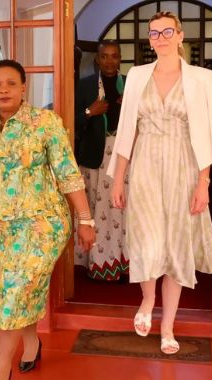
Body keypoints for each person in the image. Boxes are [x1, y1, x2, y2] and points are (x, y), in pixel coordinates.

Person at [0, 59, 96, 380]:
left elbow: (67, 173)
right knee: (17, 288)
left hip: (42, 224)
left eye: (11, 83)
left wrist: (85, 219)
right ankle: (31, 343)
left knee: (16, 289)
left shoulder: (45, 123)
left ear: (23, 88)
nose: (4, 89)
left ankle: (0, 369)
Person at [108, 11, 212, 355]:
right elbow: (126, 130)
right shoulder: (136, 76)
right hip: (145, 163)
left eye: (167, 31)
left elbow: (209, 130)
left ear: (180, 36)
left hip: (183, 165)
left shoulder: (201, 78)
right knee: (146, 237)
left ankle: (168, 326)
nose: (160, 37)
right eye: (154, 33)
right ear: (150, 40)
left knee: (177, 242)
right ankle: (147, 300)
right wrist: (118, 179)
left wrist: (203, 182)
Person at [74, 40, 128, 281]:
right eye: (104, 56)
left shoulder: (129, 84)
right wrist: (89, 112)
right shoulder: (84, 85)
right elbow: (71, 122)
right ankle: (95, 263)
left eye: (114, 56)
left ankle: (123, 263)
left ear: (120, 59)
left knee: (122, 210)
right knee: (94, 210)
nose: (109, 61)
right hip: (93, 157)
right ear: (97, 59)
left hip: (124, 156)